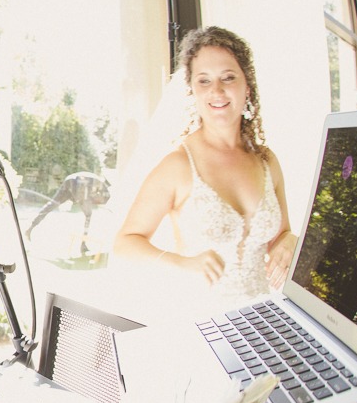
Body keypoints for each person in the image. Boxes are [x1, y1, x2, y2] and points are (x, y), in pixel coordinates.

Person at [113, 26, 295, 309]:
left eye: (228, 77)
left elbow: (281, 236)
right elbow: (125, 243)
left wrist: (291, 240)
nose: (217, 91)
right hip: (202, 319)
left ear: (247, 86)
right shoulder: (178, 165)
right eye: (204, 81)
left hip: (264, 319)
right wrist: (181, 263)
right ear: (193, 90)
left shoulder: (267, 161)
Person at [24, 171, 111, 254]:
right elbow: (100, 198)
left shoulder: (94, 180)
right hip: (76, 183)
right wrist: (80, 200)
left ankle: (30, 228)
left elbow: (87, 195)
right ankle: (83, 244)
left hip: (69, 180)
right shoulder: (100, 184)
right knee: (88, 215)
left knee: (52, 204)